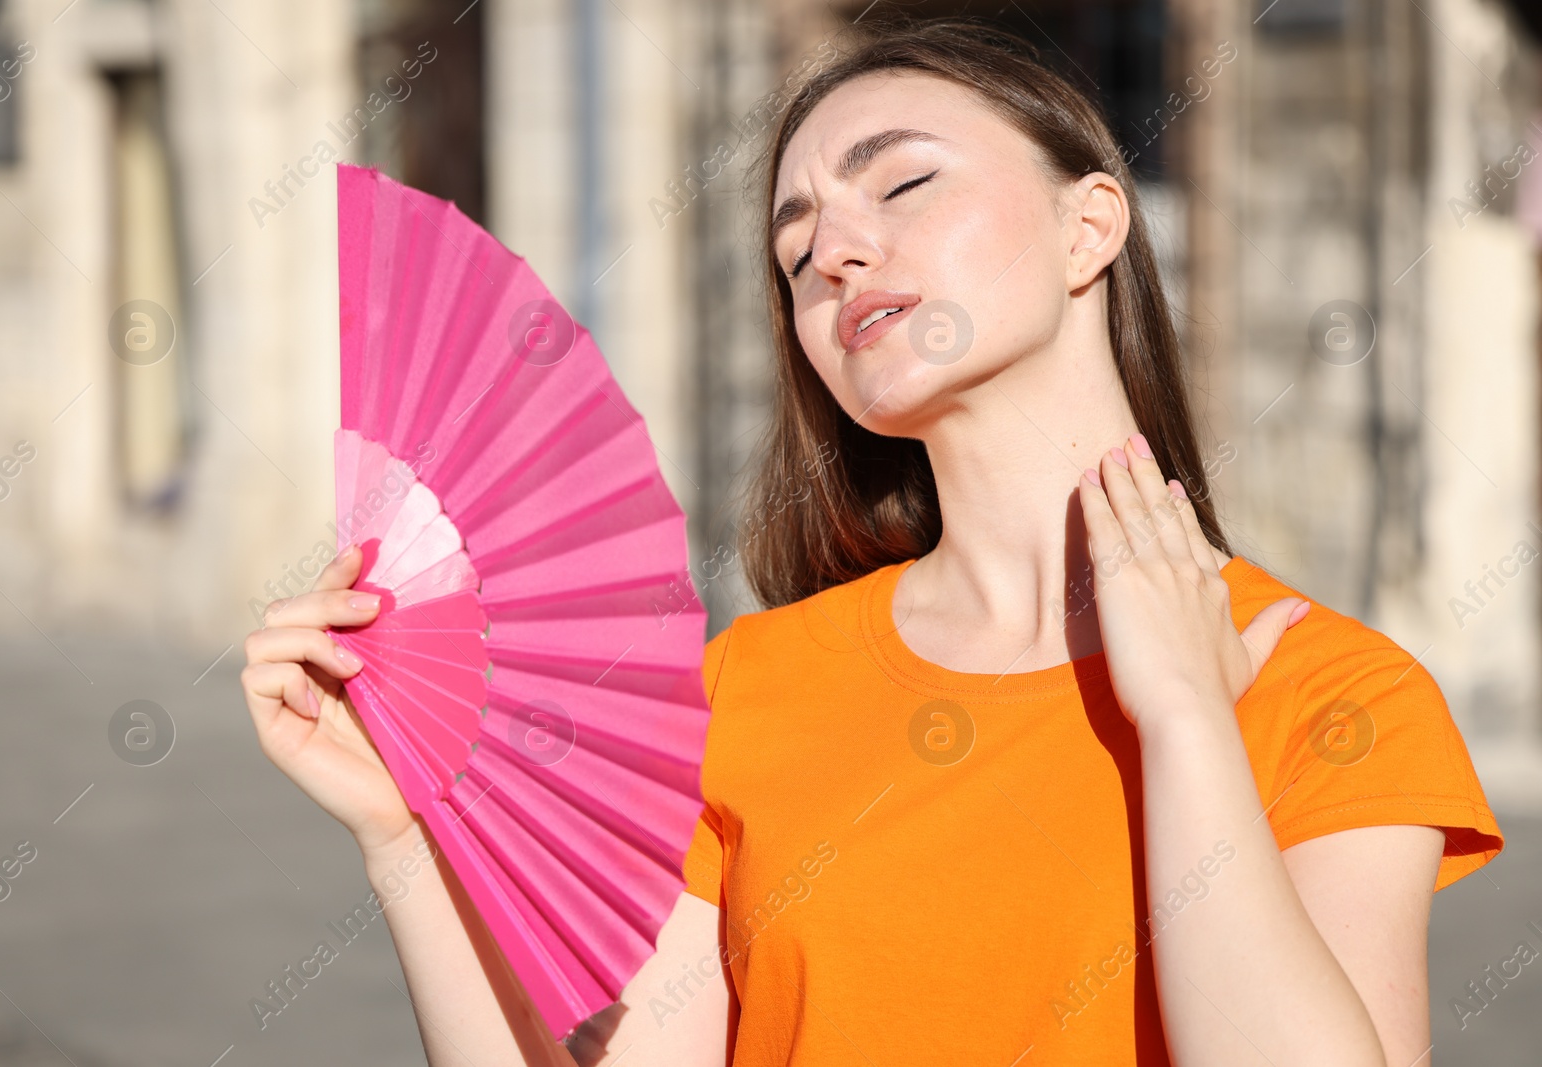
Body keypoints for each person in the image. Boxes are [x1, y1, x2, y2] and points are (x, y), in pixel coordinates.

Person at [240, 17, 1505, 1067]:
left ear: (1092, 226)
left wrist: (1183, 721)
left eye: (902, 184)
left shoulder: (1330, 690)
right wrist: (405, 834)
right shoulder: (744, 687)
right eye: (796, 251)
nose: (836, 251)